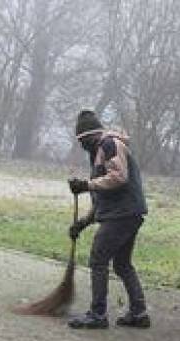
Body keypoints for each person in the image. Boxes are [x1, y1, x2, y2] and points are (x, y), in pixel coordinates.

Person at [66, 110, 150, 329]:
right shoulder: (98, 151)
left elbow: (118, 178)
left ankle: (98, 314)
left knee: (98, 258)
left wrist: (86, 185)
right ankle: (139, 313)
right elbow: (102, 197)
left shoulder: (109, 145)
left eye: (83, 141)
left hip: (123, 214)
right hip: (127, 213)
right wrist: (82, 224)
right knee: (122, 264)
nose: (82, 146)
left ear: (90, 136)